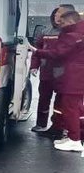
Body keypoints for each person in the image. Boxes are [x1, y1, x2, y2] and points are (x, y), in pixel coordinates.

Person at [33, 9, 84, 154]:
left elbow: (58, 53)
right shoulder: (78, 34)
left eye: (63, 21)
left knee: (71, 108)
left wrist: (36, 51)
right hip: (72, 76)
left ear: (71, 21)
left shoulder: (72, 36)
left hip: (72, 77)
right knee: (69, 107)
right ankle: (70, 135)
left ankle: (74, 139)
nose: (60, 24)